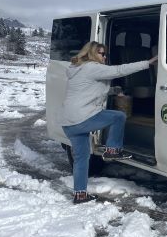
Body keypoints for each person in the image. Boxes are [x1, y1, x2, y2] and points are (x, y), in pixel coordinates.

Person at [60, 41, 158, 204]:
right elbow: (120, 70)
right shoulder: (92, 67)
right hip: (82, 118)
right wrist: (147, 63)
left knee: (82, 159)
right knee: (118, 117)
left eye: (105, 54)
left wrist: (114, 91)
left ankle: (80, 194)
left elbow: (89, 90)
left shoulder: (77, 69)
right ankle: (112, 150)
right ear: (91, 54)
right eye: (101, 53)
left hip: (69, 123)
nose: (104, 57)